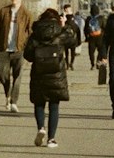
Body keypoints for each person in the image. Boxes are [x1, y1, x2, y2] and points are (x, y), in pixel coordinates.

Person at [23, 8, 77, 147]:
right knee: (54, 105)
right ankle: (51, 139)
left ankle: (41, 128)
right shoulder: (60, 32)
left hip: (39, 74)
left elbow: (27, 55)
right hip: (56, 74)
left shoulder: (35, 34)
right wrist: (65, 25)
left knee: (39, 103)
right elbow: (73, 41)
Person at [0, 0, 32, 113]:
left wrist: (28, 47)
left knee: (18, 75)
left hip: (19, 49)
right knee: (2, 75)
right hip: (4, 48)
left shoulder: (27, 14)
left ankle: (13, 101)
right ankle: (8, 94)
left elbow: (30, 32)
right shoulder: (3, 11)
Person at [61, 4, 81, 70]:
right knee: (66, 52)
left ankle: (71, 64)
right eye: (69, 8)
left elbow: (76, 27)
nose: (70, 9)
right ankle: (67, 64)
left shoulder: (73, 16)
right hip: (66, 37)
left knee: (73, 52)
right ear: (65, 9)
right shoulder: (62, 16)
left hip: (72, 38)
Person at [83, 2, 104, 69]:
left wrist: (86, 37)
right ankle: (98, 61)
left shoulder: (88, 19)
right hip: (100, 37)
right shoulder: (101, 18)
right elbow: (105, 27)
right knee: (100, 50)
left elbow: (85, 29)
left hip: (91, 37)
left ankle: (92, 64)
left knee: (91, 52)